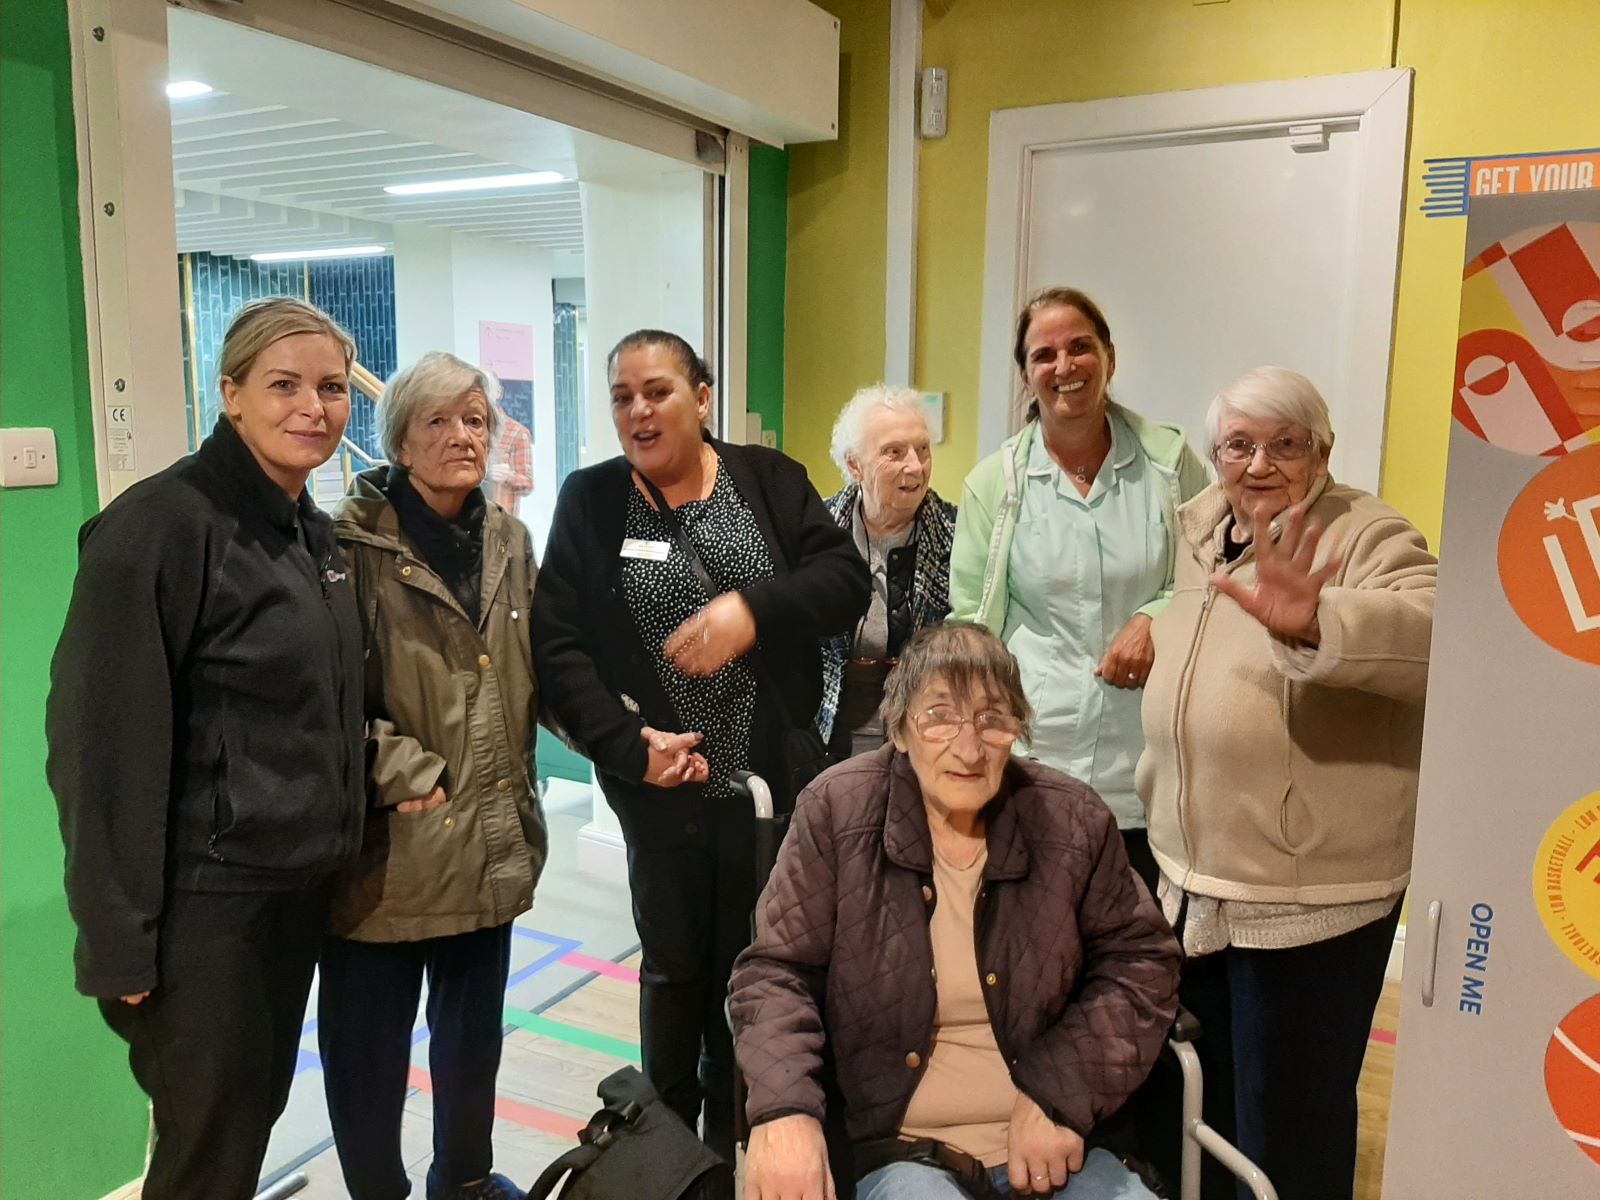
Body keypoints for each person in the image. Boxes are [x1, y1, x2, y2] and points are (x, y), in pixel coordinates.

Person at [46, 297, 366, 1200]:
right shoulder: (160, 527)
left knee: (240, 1129)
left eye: (333, 388)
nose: (314, 407)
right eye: (284, 385)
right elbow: (99, 747)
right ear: (229, 394)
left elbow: (320, 711)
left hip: (288, 892)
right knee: (207, 1151)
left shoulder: (312, 532)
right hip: (204, 911)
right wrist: (117, 940)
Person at [531, 329, 869, 1159]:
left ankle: (745, 1157)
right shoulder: (592, 500)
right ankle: (670, 1160)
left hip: (767, 799)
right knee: (674, 981)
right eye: (622, 397)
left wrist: (752, 611)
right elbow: (557, 644)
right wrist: (627, 746)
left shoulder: (768, 480)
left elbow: (843, 582)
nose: (639, 411)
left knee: (755, 983)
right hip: (661, 792)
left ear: (703, 398)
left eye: (658, 392)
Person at [732, 622, 1180, 1200]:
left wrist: (1062, 1095)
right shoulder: (837, 811)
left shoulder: (1073, 822)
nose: (969, 748)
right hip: (899, 1151)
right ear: (899, 727)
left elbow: (1141, 966)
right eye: (940, 715)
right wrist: (784, 1110)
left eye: (993, 718)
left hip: (1058, 1144)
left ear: (1017, 728)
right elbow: (774, 973)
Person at [1136, 366, 1437, 1200]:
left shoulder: (1367, 533)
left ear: (1324, 450)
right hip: (1199, 881)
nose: (1259, 463)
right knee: (1213, 1108)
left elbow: (1435, 633)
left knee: (1289, 1128)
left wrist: (1322, 621)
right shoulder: (1202, 531)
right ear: (1215, 457)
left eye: (1285, 444)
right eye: (1239, 445)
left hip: (1312, 893)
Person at [317, 352, 545, 1200]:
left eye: (476, 420)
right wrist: (398, 766)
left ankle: (465, 1182)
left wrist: (626, 732)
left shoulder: (510, 541)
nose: (462, 437)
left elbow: (544, 668)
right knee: (369, 1053)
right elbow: (321, 701)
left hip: (487, 840)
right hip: (391, 848)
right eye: (439, 422)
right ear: (402, 442)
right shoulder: (344, 545)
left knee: (470, 1039)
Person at [949, 288, 1209, 889]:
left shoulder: (1169, 465)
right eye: (1044, 355)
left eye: (1080, 348)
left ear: (1110, 359)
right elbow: (972, 625)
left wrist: (1154, 616)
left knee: (1139, 947)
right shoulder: (995, 484)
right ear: (1026, 376)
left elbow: (1210, 573)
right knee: (1035, 951)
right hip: (1037, 756)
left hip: (1148, 756)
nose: (1064, 368)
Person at [817, 384, 957, 759]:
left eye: (923, 449)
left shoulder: (958, 534)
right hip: (827, 739)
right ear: (854, 465)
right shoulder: (816, 532)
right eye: (894, 453)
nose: (915, 466)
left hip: (922, 743)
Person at [484, 369, 534, 517]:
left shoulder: (518, 433)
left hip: (501, 525)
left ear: (499, 392)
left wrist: (508, 476)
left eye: (486, 387)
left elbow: (528, 485)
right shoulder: (464, 431)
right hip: (466, 523)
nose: (481, 393)